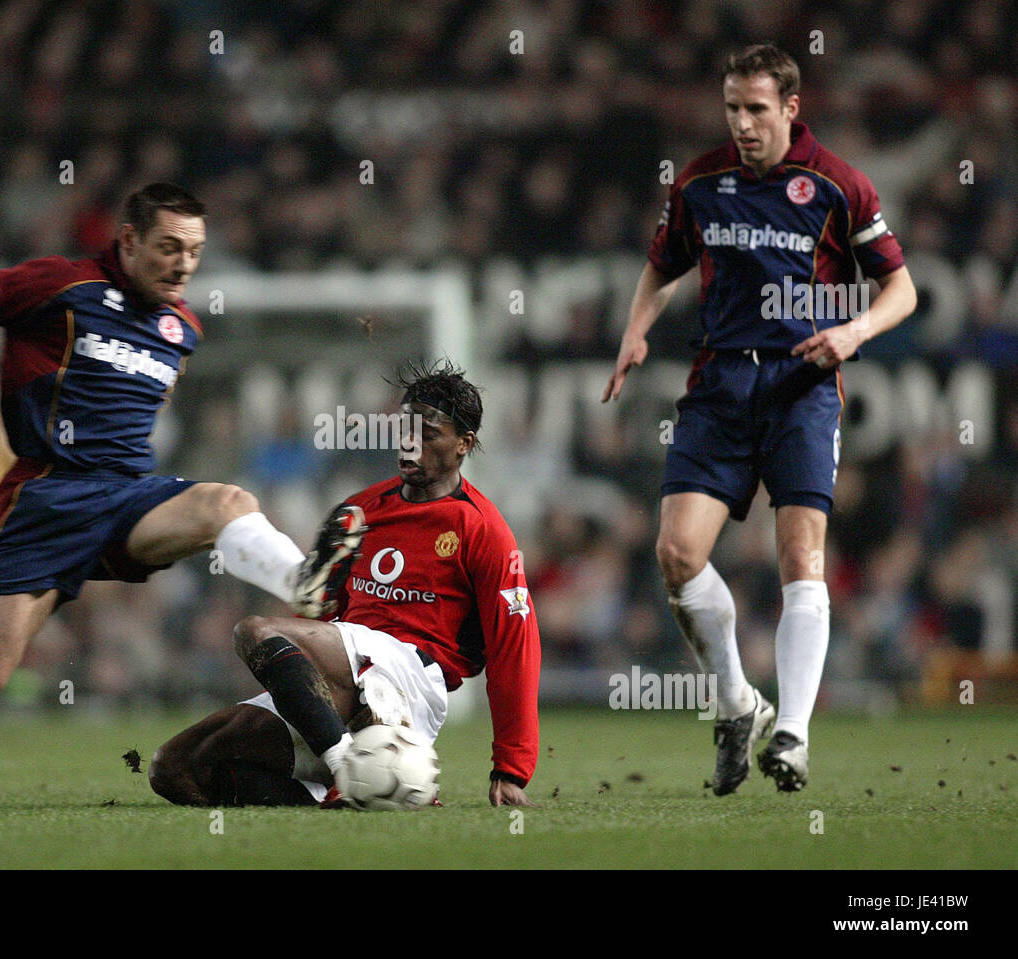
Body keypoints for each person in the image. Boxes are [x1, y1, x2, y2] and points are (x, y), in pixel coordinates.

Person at [0, 183, 362, 807]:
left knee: (226, 503)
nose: (184, 264)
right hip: (48, 500)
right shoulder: (63, 285)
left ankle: (306, 587)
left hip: (127, 498)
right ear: (128, 240)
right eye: (169, 247)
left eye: (195, 251)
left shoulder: (183, 329)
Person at [602, 44, 917, 793]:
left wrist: (854, 331)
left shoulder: (840, 186)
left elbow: (901, 288)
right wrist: (636, 328)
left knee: (801, 558)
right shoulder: (703, 180)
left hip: (803, 387)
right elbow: (663, 262)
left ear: (790, 109)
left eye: (756, 109)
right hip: (718, 387)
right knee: (677, 554)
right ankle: (738, 701)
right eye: (732, 108)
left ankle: (795, 735)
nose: (742, 123)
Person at [149, 362, 541, 808]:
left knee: (255, 631)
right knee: (176, 770)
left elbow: (516, 645)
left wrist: (512, 766)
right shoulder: (361, 509)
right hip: (342, 678)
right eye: (405, 429)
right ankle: (361, 788)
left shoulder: (482, 528)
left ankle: (350, 769)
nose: (411, 444)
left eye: (428, 434)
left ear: (463, 444)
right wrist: (313, 606)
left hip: (410, 677)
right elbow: (320, 616)